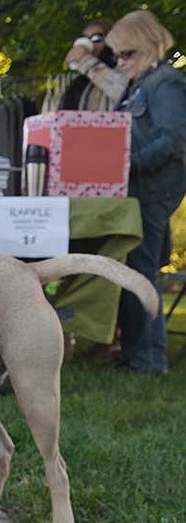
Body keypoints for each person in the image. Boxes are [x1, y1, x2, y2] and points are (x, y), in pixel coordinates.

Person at [104, 10, 186, 375]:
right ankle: (137, 353)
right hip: (139, 188)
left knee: (143, 271)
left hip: (153, 189)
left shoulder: (166, 83)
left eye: (127, 55)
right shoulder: (143, 84)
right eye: (118, 56)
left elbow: (173, 140)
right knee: (137, 268)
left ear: (149, 45)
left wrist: (126, 165)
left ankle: (150, 361)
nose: (121, 63)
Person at [62, 18, 128, 111]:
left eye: (96, 38)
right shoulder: (79, 83)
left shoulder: (125, 67)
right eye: (85, 39)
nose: (90, 43)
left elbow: (125, 91)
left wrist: (86, 62)